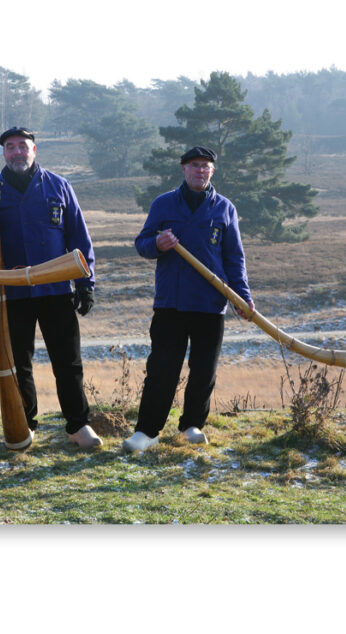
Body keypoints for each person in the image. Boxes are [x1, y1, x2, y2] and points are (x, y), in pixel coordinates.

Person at [0, 126, 101, 449]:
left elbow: (79, 238)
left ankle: (78, 425)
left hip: (56, 290)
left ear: (34, 150)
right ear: (3, 154)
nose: (17, 152)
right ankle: (25, 424)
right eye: (10, 147)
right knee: (17, 363)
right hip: (11, 292)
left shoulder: (59, 186)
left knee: (68, 362)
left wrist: (85, 283)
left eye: (23, 146)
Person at [123, 146, 255, 453]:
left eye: (206, 166)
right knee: (162, 369)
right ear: (184, 169)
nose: (200, 170)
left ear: (212, 171)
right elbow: (142, 244)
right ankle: (147, 432)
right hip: (171, 302)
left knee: (204, 369)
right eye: (194, 165)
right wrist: (158, 242)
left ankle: (191, 426)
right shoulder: (164, 204)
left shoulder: (224, 208)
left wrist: (242, 296)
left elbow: (234, 257)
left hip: (210, 303)